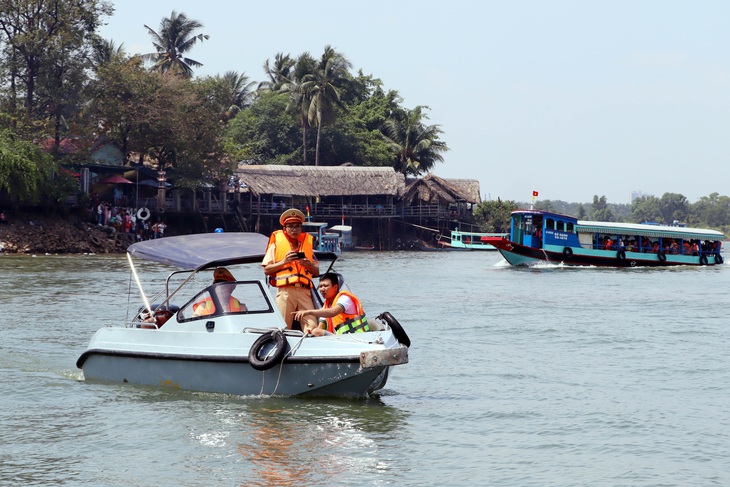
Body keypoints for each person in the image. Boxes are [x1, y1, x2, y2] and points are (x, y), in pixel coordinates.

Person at [262, 208, 319, 330]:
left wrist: (308, 264)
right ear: (285, 228)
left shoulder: (307, 245)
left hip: (305, 292)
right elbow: (267, 270)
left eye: (298, 226)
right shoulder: (276, 245)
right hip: (286, 291)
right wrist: (284, 262)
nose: (295, 229)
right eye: (291, 226)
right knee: (283, 328)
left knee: (312, 327)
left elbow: (317, 272)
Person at [294, 272, 370, 336]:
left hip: (358, 337)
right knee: (314, 331)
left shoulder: (345, 298)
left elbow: (333, 312)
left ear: (335, 287)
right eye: (320, 286)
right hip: (341, 339)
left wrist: (308, 312)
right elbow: (320, 327)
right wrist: (312, 332)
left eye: (325, 286)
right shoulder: (327, 305)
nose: (322, 289)